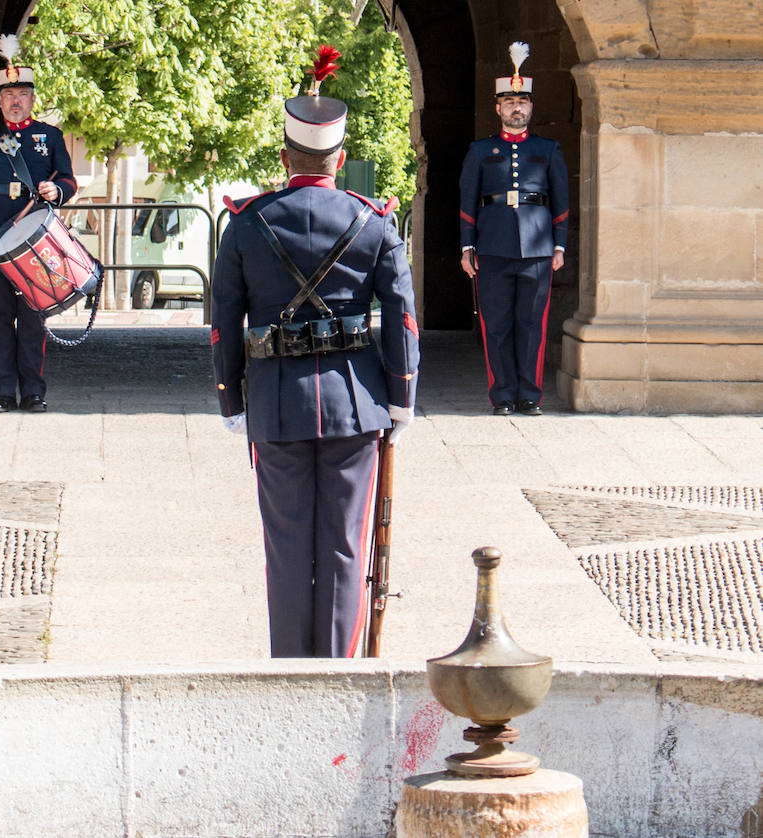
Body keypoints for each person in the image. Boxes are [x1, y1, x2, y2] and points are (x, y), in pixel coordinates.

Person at [210, 46, 420, 658]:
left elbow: (223, 323)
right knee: (346, 549)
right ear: (341, 159)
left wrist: (231, 401)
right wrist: (401, 398)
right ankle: (337, 673)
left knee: (285, 547)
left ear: (285, 157)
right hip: (356, 407)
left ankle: (290, 673)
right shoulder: (374, 222)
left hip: (276, 408)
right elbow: (402, 318)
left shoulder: (246, 224)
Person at [0, 36, 77, 414]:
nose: (15, 100)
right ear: (0, 101)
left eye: (22, 94)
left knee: (33, 322)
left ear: (33, 99)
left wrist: (56, 190)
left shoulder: (50, 136)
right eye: (9, 95)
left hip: (36, 243)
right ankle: (3, 393)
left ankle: (34, 392)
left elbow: (68, 181)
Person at [459, 42, 569, 417]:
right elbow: (468, 201)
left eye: (522, 102)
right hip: (492, 247)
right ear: (498, 108)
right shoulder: (480, 151)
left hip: (538, 250)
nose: (516, 108)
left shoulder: (548, 149)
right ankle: (502, 395)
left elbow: (561, 202)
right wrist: (467, 247)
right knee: (496, 326)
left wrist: (560, 246)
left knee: (532, 326)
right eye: (509, 102)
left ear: (531, 107)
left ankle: (530, 396)